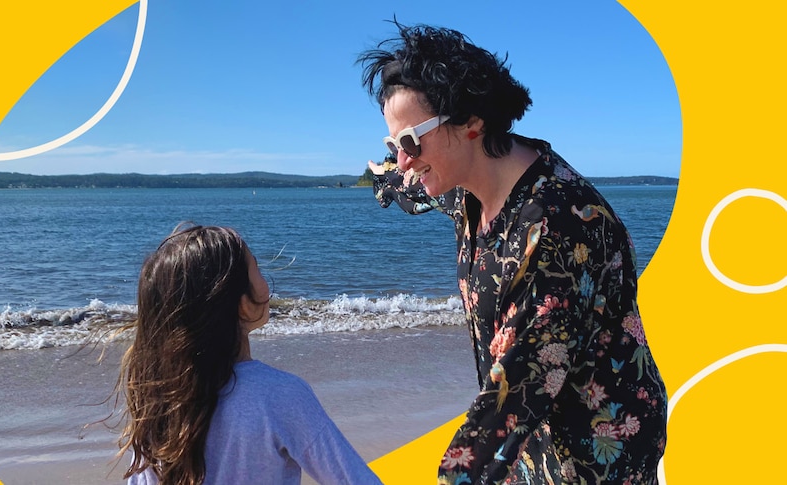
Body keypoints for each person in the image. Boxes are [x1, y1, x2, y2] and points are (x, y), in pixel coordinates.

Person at [358, 22, 667, 485]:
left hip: (598, 448)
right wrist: (383, 178)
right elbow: (409, 184)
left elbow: (514, 394)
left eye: (410, 141)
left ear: (471, 123)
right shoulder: (468, 189)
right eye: (393, 142)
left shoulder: (557, 228)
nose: (404, 158)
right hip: (533, 437)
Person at [114, 224, 382, 485]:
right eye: (257, 269)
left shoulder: (159, 401)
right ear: (242, 306)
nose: (266, 284)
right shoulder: (279, 395)